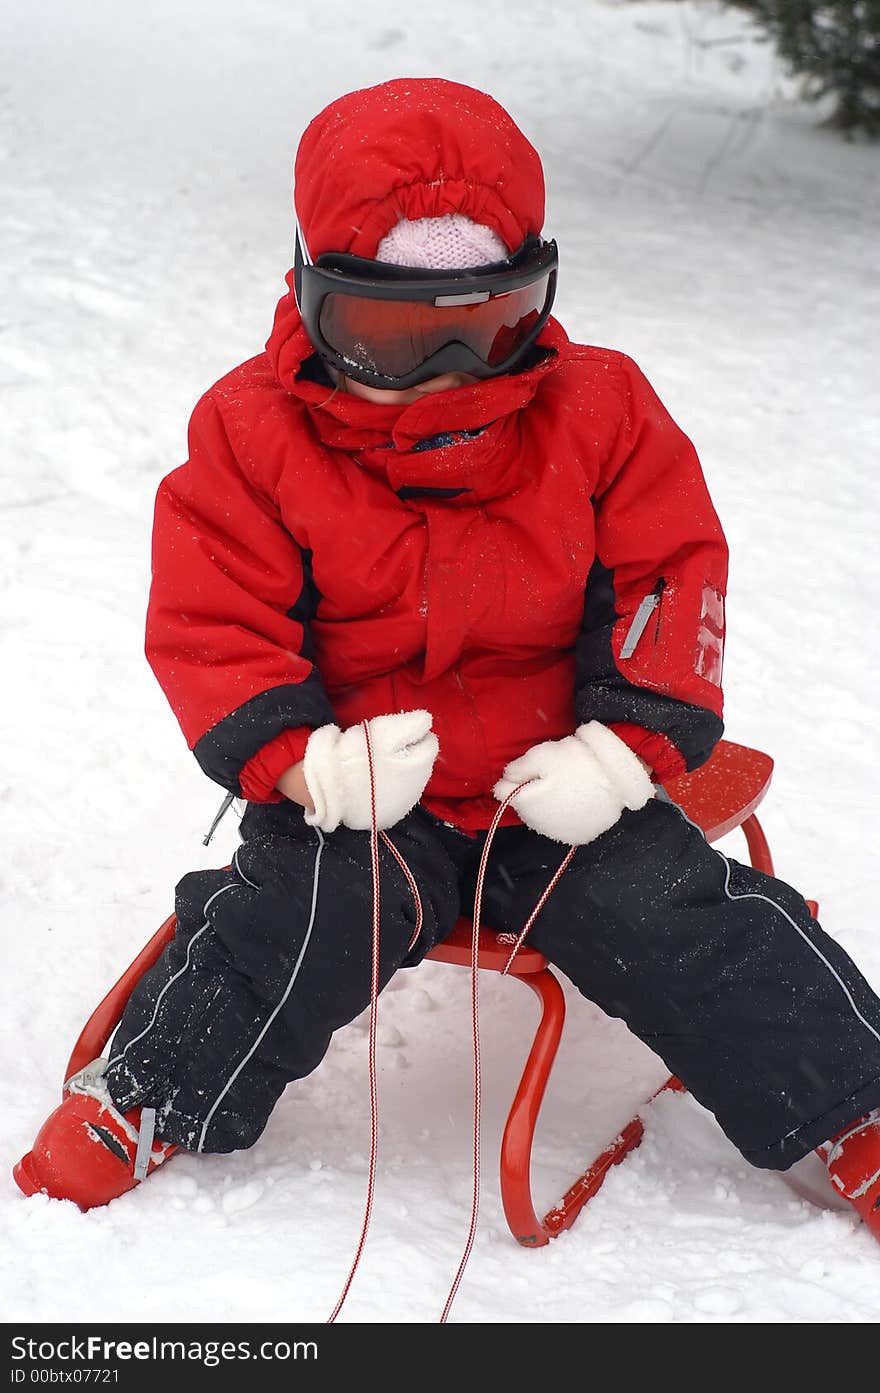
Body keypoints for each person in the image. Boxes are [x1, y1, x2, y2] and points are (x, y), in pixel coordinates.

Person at [14, 77, 880, 1240]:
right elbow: (213, 616)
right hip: (373, 799)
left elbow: (671, 579)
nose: (450, 371)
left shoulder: (601, 411)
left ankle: (856, 1106)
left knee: (683, 913)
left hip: (559, 788)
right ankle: (150, 1093)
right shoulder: (252, 434)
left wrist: (622, 754)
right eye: (391, 336)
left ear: (538, 291)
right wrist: (310, 764)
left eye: (491, 321)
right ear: (316, 300)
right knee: (302, 911)